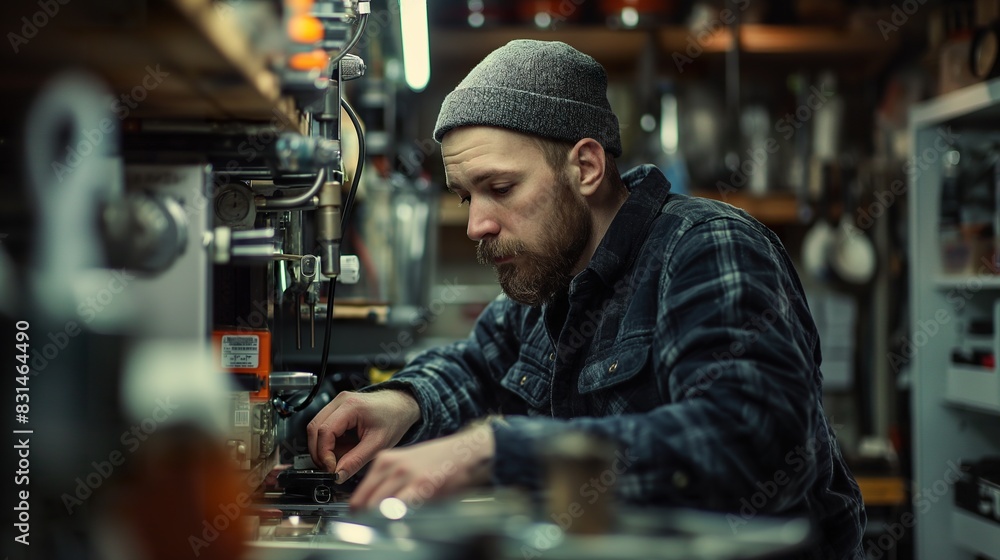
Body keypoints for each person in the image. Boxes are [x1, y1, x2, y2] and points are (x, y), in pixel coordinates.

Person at [307, 39, 865, 558]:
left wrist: (498, 450)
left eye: (500, 189)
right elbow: (476, 367)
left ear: (587, 167)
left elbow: (750, 441)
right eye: (465, 196)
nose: (476, 223)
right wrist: (404, 402)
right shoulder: (550, 280)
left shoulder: (705, 248)